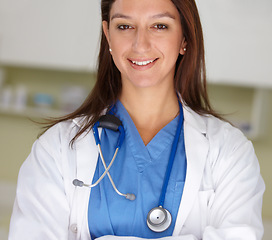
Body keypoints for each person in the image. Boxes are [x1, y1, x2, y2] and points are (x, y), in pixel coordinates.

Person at [9, 0, 265, 239]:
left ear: (184, 38)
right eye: (125, 26)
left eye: (160, 26)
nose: (140, 44)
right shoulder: (55, 149)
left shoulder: (230, 151)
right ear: (108, 35)